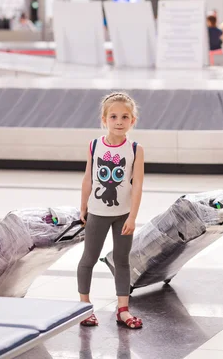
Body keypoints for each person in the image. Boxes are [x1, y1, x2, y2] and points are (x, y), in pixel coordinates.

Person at [77, 92, 145, 329]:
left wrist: (133, 216)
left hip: (123, 215)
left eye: (125, 117)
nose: (119, 121)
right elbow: (88, 178)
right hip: (97, 213)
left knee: (122, 260)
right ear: (104, 119)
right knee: (89, 258)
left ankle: (123, 309)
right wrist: (83, 206)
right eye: (113, 116)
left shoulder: (136, 149)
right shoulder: (94, 145)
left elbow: (137, 186)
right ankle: (83, 307)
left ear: (132, 121)